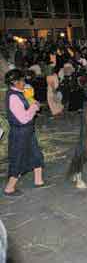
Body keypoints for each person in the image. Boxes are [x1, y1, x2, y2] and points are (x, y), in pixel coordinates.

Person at [3, 69, 45, 197]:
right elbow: (23, 118)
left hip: (28, 131)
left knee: (36, 154)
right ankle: (9, 188)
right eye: (22, 80)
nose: (24, 82)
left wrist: (33, 102)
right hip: (20, 133)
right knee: (18, 159)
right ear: (15, 82)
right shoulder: (13, 97)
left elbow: (28, 96)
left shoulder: (19, 92)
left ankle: (38, 180)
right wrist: (33, 107)